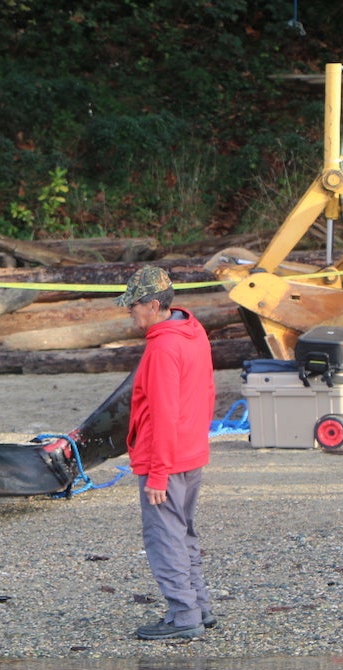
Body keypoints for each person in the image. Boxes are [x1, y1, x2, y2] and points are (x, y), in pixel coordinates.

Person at [117, 266, 217, 641]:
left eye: (133, 307)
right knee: (184, 533)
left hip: (167, 460)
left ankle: (184, 615)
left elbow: (161, 415)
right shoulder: (193, 331)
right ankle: (199, 607)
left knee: (165, 537)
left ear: (153, 305)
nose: (130, 313)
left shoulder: (162, 347)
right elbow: (207, 392)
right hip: (191, 453)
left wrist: (157, 473)